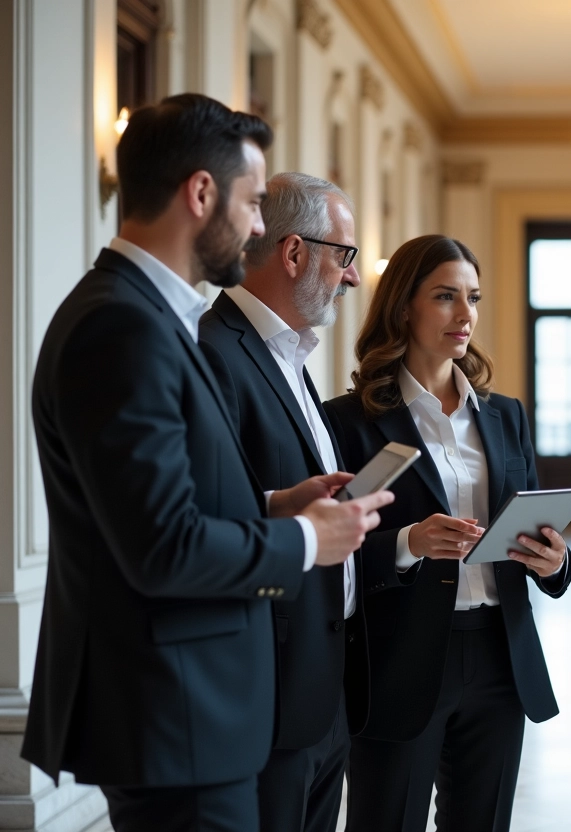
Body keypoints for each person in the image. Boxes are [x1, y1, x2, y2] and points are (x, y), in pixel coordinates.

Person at [20, 94, 391, 832]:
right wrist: (312, 540)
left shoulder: (148, 317)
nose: (258, 226)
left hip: (191, 712)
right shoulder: (121, 326)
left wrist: (274, 504)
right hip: (174, 711)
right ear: (200, 193)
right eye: (253, 203)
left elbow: (157, 505)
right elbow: (161, 548)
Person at [324, 234, 571, 832]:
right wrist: (409, 543)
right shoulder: (349, 420)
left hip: (498, 652)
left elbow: (540, 527)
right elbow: (331, 550)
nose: (466, 315)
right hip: (398, 656)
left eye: (473, 297)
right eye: (445, 297)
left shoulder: (505, 414)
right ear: (404, 306)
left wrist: (554, 561)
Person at [197, 172, 365, 832]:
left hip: (323, 684)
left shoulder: (291, 354)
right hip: (266, 686)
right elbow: (202, 513)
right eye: (343, 255)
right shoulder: (214, 351)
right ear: (294, 253)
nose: (350, 277)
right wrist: (280, 505)